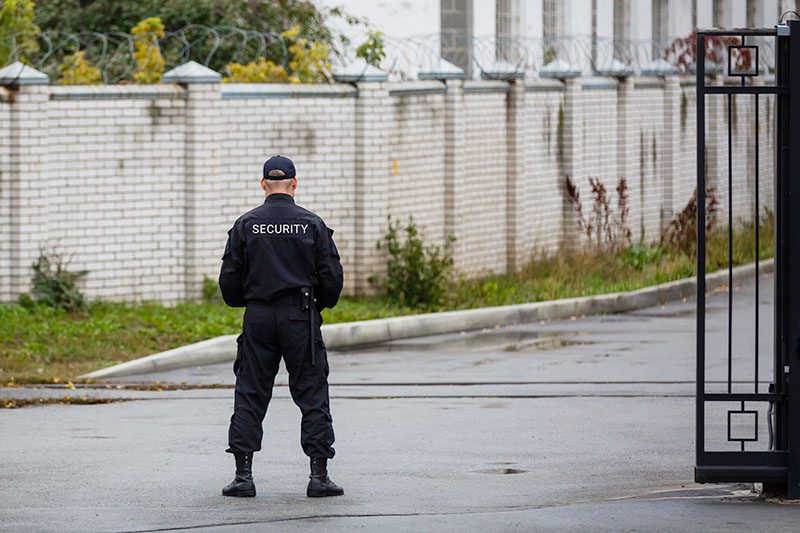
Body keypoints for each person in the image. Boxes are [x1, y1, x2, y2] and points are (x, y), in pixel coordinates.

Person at [218, 155, 344, 498]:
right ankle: (319, 477)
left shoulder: (246, 225)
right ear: (294, 183)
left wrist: (253, 301)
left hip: (258, 316)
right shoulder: (312, 224)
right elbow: (332, 279)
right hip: (299, 316)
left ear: (263, 185)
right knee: (312, 392)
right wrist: (317, 306)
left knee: (250, 391)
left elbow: (229, 283)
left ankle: (243, 477)